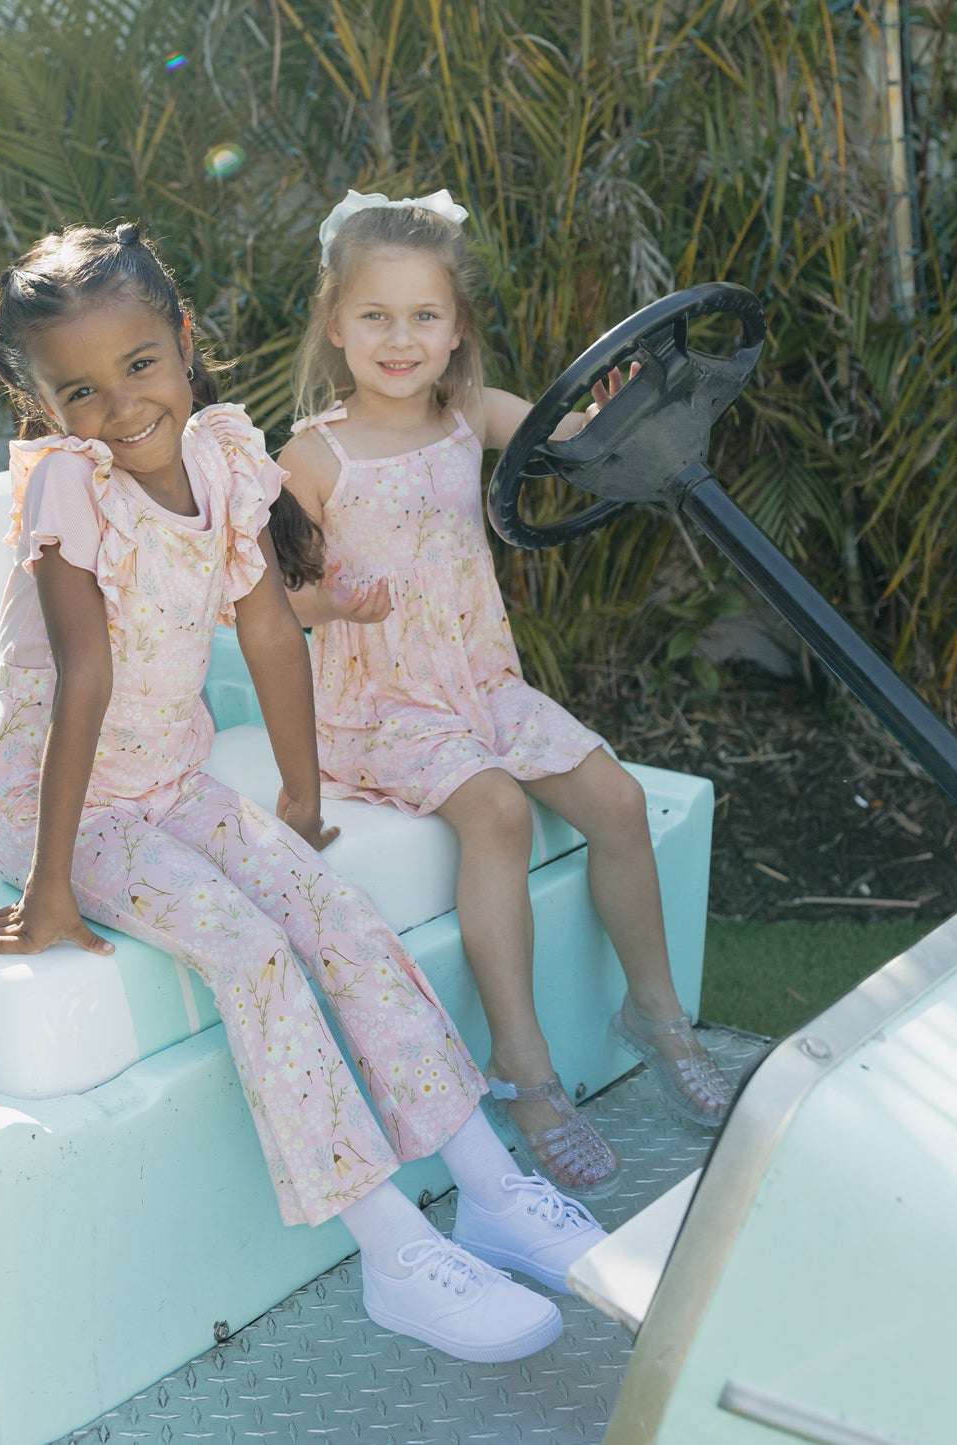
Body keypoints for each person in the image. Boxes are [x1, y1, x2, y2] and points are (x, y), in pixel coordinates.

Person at [0, 222, 605, 1364]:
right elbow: (83, 679)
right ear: (38, 401)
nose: (119, 405)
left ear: (184, 340)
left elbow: (261, 624)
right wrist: (48, 885)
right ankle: (392, 1253)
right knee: (252, 952)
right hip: (68, 808)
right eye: (80, 390)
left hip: (170, 779)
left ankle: (490, 1185)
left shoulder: (224, 456)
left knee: (335, 912)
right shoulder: (67, 489)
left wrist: (297, 798)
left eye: (140, 363)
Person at [279, 190, 735, 1201]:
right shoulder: (312, 456)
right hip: (380, 704)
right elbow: (276, 600)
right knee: (494, 811)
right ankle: (522, 1068)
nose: (400, 339)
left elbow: (576, 438)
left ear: (456, 330)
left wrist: (612, 407)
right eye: (374, 316)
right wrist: (335, 600)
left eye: (423, 316)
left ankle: (654, 1013)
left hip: (479, 681)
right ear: (333, 323)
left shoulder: (468, 417)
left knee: (616, 798)